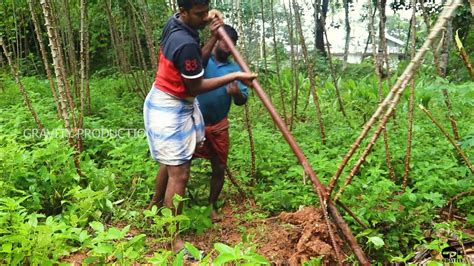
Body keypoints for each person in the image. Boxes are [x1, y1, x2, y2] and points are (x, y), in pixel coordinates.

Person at [143, 0, 255, 253]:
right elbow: (195, 86)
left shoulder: (175, 23)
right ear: (184, 12)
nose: (205, 17)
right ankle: (173, 239)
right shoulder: (185, 44)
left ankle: (158, 208)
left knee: (176, 164)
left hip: (178, 103)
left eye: (207, 10)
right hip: (170, 106)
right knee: (179, 172)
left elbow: (199, 61)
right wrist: (235, 76)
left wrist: (212, 23)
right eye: (200, 14)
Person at [193, 24, 248, 221]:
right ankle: (172, 204)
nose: (227, 46)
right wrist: (214, 37)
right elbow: (196, 63)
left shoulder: (236, 68)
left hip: (218, 125)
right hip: (193, 122)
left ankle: (211, 205)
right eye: (224, 41)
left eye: (231, 43)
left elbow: (242, 100)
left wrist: (237, 94)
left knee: (219, 166)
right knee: (180, 163)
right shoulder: (204, 59)